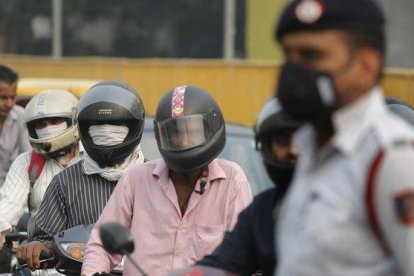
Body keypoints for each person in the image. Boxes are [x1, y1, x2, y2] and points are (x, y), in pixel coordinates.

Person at [273, 0, 414, 275]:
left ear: (365, 66)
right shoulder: (311, 148)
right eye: (289, 54)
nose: (293, 71)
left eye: (311, 55)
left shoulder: (391, 159)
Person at [81, 85, 253, 275]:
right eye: (174, 132)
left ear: (210, 129)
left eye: (192, 131)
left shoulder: (232, 181)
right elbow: (100, 247)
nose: (183, 139)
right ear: (160, 135)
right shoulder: (136, 180)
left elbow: (244, 253)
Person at [16, 80, 146, 271]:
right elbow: (45, 239)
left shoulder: (156, 179)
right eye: (98, 125)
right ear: (84, 127)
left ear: (134, 126)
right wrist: (39, 247)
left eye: (116, 124)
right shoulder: (65, 182)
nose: (107, 131)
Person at [195, 97, 301, 275]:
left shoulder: (351, 196)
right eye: (282, 141)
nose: (294, 151)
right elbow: (220, 264)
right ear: (266, 146)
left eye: (304, 140)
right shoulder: (263, 211)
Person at [0, 89, 82, 227]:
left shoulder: (92, 158)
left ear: (73, 119)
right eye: (41, 125)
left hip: (88, 243)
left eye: (55, 121)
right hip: (39, 244)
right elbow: (9, 204)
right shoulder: (26, 162)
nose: (48, 128)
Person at [0, 65, 31, 188]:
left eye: (13, 98)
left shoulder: (21, 116)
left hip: (12, 194)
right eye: (3, 98)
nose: (9, 103)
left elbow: (28, 157)